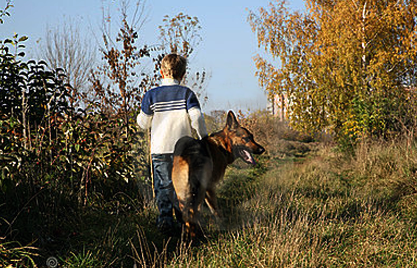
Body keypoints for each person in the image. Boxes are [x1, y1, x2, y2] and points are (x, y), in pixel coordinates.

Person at [137, 53, 208, 232]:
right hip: (184, 150)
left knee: (163, 185)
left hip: (160, 148)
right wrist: (203, 138)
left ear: (161, 72)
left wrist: (140, 117)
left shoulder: (151, 95)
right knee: (183, 185)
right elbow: (197, 117)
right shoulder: (187, 94)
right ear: (183, 74)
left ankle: (165, 222)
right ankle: (183, 221)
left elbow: (144, 123)